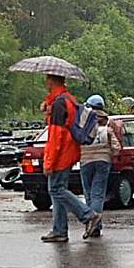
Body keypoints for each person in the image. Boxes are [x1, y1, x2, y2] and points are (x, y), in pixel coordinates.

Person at [40, 74, 101, 243]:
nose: (45, 82)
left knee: (56, 189)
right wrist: (48, 108)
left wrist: (49, 162)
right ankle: (59, 230)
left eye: (47, 80)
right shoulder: (67, 99)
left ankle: (88, 215)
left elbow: (56, 135)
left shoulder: (60, 103)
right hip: (70, 151)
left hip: (61, 154)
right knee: (58, 190)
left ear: (51, 81)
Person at [79, 95, 122, 237]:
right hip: (103, 161)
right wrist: (111, 153)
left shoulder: (83, 120)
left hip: (85, 159)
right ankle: (96, 226)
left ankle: (90, 223)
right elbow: (117, 146)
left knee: (88, 193)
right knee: (98, 194)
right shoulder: (109, 122)